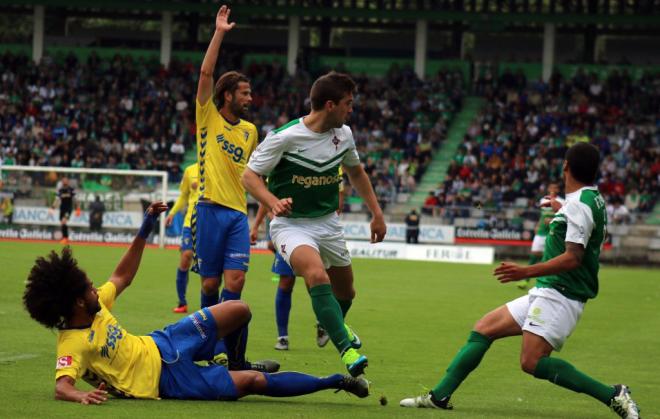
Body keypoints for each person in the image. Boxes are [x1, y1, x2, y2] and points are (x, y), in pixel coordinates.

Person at [23, 201, 370, 404]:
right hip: (167, 383)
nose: (94, 290)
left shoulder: (95, 305)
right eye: (87, 289)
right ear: (74, 304)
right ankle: (335, 381)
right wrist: (80, 396)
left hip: (164, 341)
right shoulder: (71, 342)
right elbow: (61, 385)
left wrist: (145, 228)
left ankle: (235, 362)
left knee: (240, 309)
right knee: (252, 384)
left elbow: (122, 277)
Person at [399, 143, 640, 419]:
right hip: (550, 289)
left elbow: (573, 257)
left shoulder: (580, 206)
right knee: (484, 328)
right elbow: (581, 223)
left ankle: (613, 395)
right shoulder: (589, 199)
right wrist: (561, 208)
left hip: (561, 294)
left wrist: (525, 271)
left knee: (532, 362)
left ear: (565, 166)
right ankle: (438, 396)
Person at [242, 71, 387, 377]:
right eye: (348, 103)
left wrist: (376, 213)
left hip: (328, 224)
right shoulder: (284, 137)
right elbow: (249, 176)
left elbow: (356, 173)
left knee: (346, 293)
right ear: (331, 104)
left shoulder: (344, 134)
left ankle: (329, 322)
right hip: (290, 225)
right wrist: (271, 201)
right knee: (315, 275)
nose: (352, 109)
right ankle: (347, 352)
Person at [192, 5, 258, 313]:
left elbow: (254, 173)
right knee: (209, 284)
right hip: (207, 210)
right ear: (228, 95)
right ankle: (207, 337)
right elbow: (206, 73)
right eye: (244, 93)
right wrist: (219, 32)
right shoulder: (208, 117)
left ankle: (224, 339)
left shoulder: (250, 131)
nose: (249, 98)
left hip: (236, 215)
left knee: (236, 280)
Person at [166, 163, 200, 313]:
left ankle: (211, 305)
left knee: (210, 267)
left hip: (211, 223)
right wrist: (172, 212)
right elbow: (184, 196)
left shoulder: (217, 167)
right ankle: (182, 302)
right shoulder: (190, 170)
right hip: (190, 223)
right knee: (186, 256)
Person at [519, 182, 563, 290]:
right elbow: (542, 215)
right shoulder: (543, 200)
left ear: (558, 189)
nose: (553, 189)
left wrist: (552, 221)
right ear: (548, 188)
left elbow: (563, 218)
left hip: (553, 232)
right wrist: (538, 225)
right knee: (534, 255)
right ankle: (525, 280)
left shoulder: (562, 202)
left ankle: (548, 281)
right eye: (551, 187)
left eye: (555, 187)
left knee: (550, 257)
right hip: (541, 231)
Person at [51, 177, 80, 245]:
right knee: (62, 222)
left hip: (68, 208)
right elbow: (57, 199)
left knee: (64, 221)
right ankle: (65, 238)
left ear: (68, 182)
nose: (64, 182)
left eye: (66, 181)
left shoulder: (71, 190)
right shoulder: (60, 190)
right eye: (63, 181)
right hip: (62, 208)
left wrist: (78, 208)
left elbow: (76, 199)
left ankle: (65, 238)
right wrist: (52, 207)